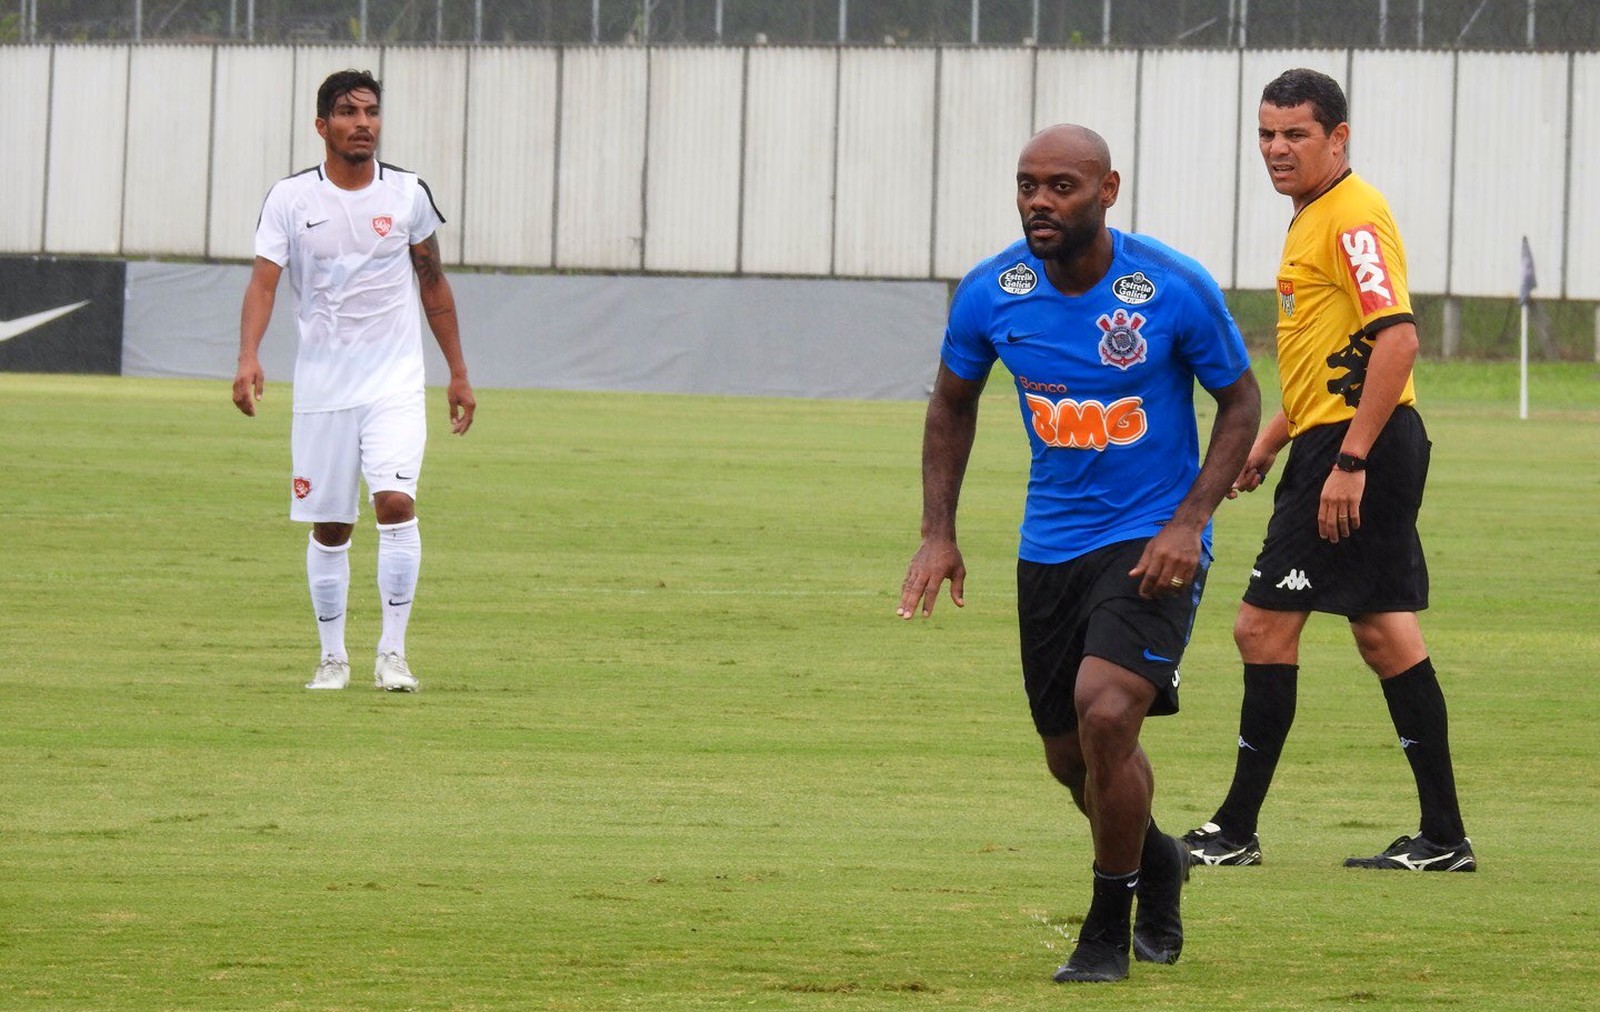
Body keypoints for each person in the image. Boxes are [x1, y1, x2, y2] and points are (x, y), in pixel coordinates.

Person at [898, 124, 1260, 983]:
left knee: (1106, 715)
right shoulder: (994, 291)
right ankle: (1159, 860)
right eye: (1028, 185)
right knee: (1071, 760)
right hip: (1051, 546)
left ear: (1108, 189)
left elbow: (1242, 403)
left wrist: (1190, 521)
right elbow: (951, 404)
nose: (1039, 202)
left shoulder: (1170, 287)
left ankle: (1105, 931)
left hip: (1152, 539)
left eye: (1061, 186)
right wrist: (939, 532)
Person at [1181, 68, 1473, 872]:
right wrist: (1273, 439)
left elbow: (1398, 340)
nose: (1276, 149)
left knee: (1261, 625)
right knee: (1385, 633)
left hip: (1355, 449)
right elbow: (1332, 362)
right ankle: (1443, 838)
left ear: (1338, 138)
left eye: (1296, 134)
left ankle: (1235, 831)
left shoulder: (1350, 218)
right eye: (1266, 134)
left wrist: (1349, 460)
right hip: (1338, 440)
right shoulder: (1313, 216)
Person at [231, 69, 476, 693]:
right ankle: (332, 657)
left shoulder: (408, 193)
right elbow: (263, 283)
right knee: (331, 525)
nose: (363, 123)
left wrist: (457, 371)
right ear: (322, 125)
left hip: (395, 382)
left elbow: (432, 282)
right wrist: (248, 356)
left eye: (371, 111)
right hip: (322, 389)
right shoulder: (290, 199)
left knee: (396, 504)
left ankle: (393, 655)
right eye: (347, 112)